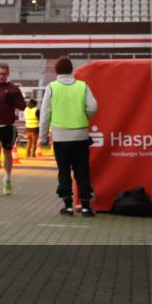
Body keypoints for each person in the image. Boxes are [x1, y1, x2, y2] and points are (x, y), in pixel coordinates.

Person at [39, 56, 98, 217]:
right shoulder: (82, 86)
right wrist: (84, 115)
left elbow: (45, 114)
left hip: (60, 137)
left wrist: (42, 137)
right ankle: (85, 206)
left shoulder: (52, 87)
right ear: (71, 70)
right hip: (80, 136)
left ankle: (68, 205)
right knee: (82, 171)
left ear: (57, 71)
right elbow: (93, 106)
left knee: (64, 171)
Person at [0, 62, 26, 195]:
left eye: (4, 74)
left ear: (8, 74)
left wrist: (12, 99)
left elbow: (23, 106)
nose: (1, 76)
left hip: (8, 126)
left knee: (7, 153)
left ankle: (7, 179)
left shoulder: (13, 88)